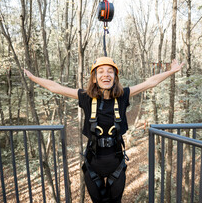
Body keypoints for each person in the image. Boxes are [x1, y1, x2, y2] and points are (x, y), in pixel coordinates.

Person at [24, 57, 183, 203]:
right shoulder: (86, 97)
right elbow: (55, 88)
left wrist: (171, 71)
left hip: (116, 164)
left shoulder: (123, 96)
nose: (106, 75)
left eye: (110, 71)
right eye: (101, 71)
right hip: (93, 164)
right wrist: (33, 78)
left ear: (115, 77)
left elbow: (150, 82)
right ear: (94, 78)